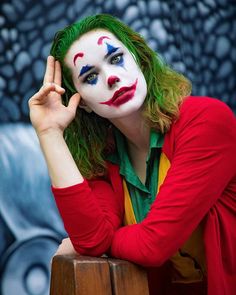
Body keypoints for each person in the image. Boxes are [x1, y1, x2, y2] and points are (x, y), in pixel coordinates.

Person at [28, 14, 236, 295]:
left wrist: (108, 242)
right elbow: (91, 240)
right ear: (82, 104)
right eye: (91, 76)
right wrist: (49, 133)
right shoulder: (105, 160)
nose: (112, 77)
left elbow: (153, 246)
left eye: (115, 59)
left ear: (139, 58)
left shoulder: (207, 121)